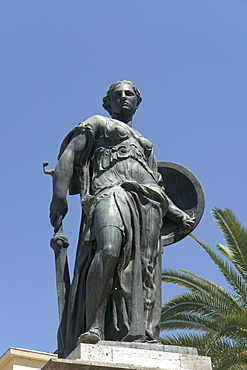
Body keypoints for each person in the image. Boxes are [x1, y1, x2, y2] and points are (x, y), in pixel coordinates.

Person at [49, 80, 194, 357]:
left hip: (148, 206)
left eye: (129, 94)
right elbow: (69, 155)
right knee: (109, 248)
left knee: (146, 270)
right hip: (110, 193)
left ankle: (145, 334)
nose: (123, 98)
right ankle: (94, 326)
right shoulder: (99, 123)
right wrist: (59, 196)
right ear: (108, 102)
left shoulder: (146, 146)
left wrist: (178, 215)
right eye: (117, 94)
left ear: (138, 102)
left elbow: (156, 186)